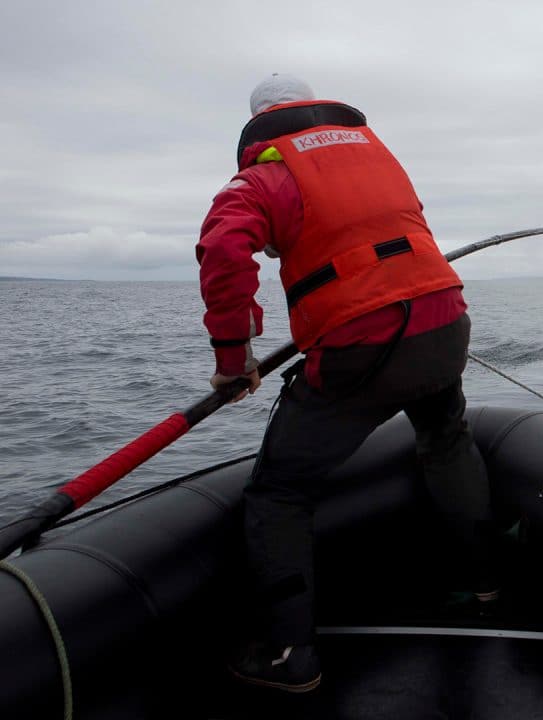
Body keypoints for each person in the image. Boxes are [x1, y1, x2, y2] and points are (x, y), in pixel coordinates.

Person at [196, 74, 499, 692]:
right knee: (447, 441)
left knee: (278, 493)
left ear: (260, 122)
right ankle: (485, 581)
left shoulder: (263, 176)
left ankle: (288, 654)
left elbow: (225, 249)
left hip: (364, 344)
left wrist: (233, 358)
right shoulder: (376, 155)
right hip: (444, 321)